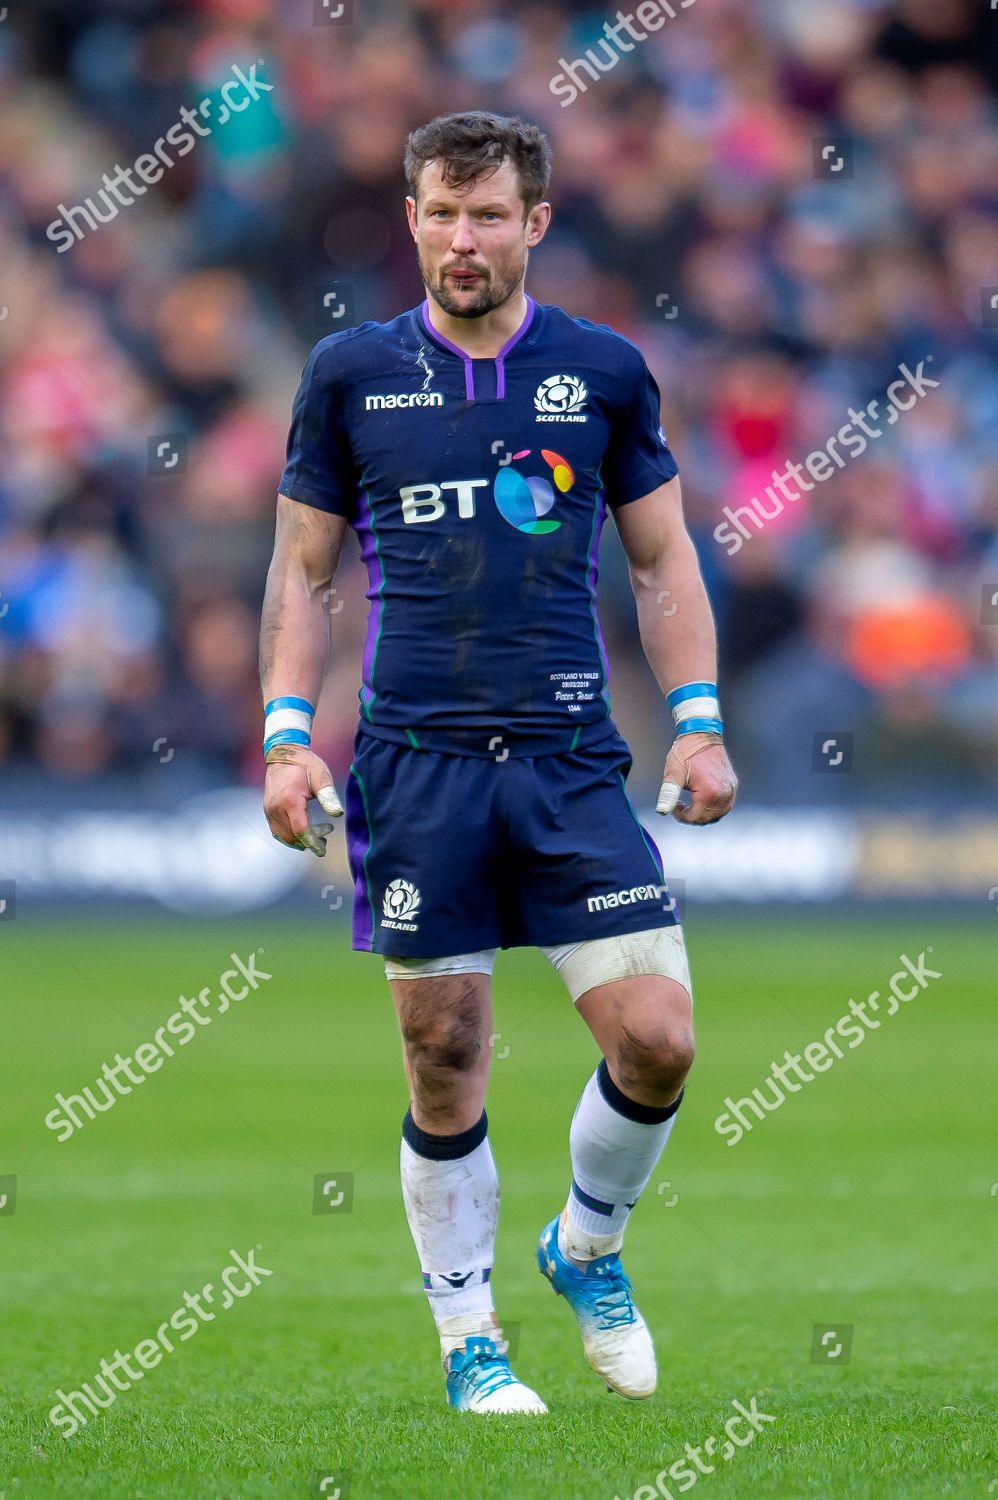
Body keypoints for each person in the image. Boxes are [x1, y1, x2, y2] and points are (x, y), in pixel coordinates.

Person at [259, 111, 737, 1415]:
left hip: (571, 760)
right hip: (415, 770)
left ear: (533, 222)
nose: (457, 238)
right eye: (436, 212)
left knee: (657, 1039)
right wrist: (288, 736)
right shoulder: (351, 372)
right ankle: (470, 1338)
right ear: (410, 218)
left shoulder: (602, 371)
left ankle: (583, 1247)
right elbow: (303, 572)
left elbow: (659, 558)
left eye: (483, 214)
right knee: (445, 1051)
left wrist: (693, 716)